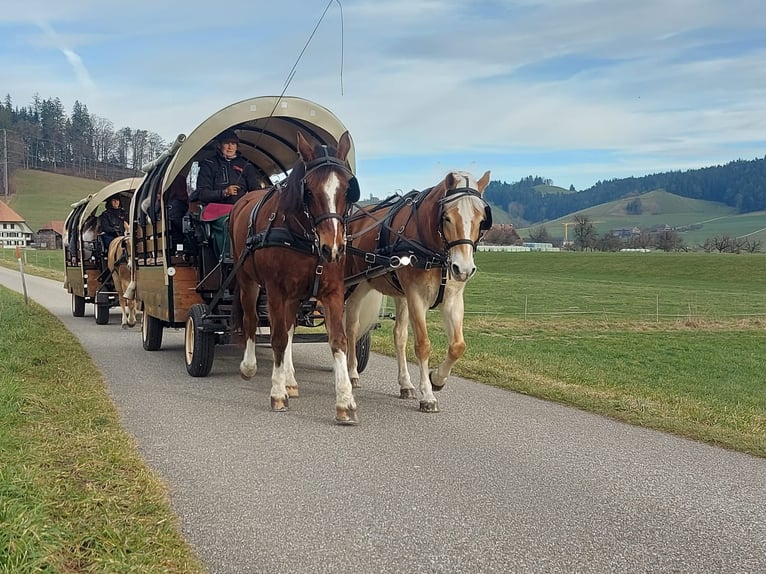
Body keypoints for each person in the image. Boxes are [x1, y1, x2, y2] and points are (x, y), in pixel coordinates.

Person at [194, 129, 261, 259]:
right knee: (228, 223)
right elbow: (202, 194)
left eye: (233, 143)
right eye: (227, 143)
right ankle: (229, 258)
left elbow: (255, 189)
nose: (230, 146)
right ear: (219, 145)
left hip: (242, 209)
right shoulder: (209, 164)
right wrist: (224, 192)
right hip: (217, 210)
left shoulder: (246, 165)